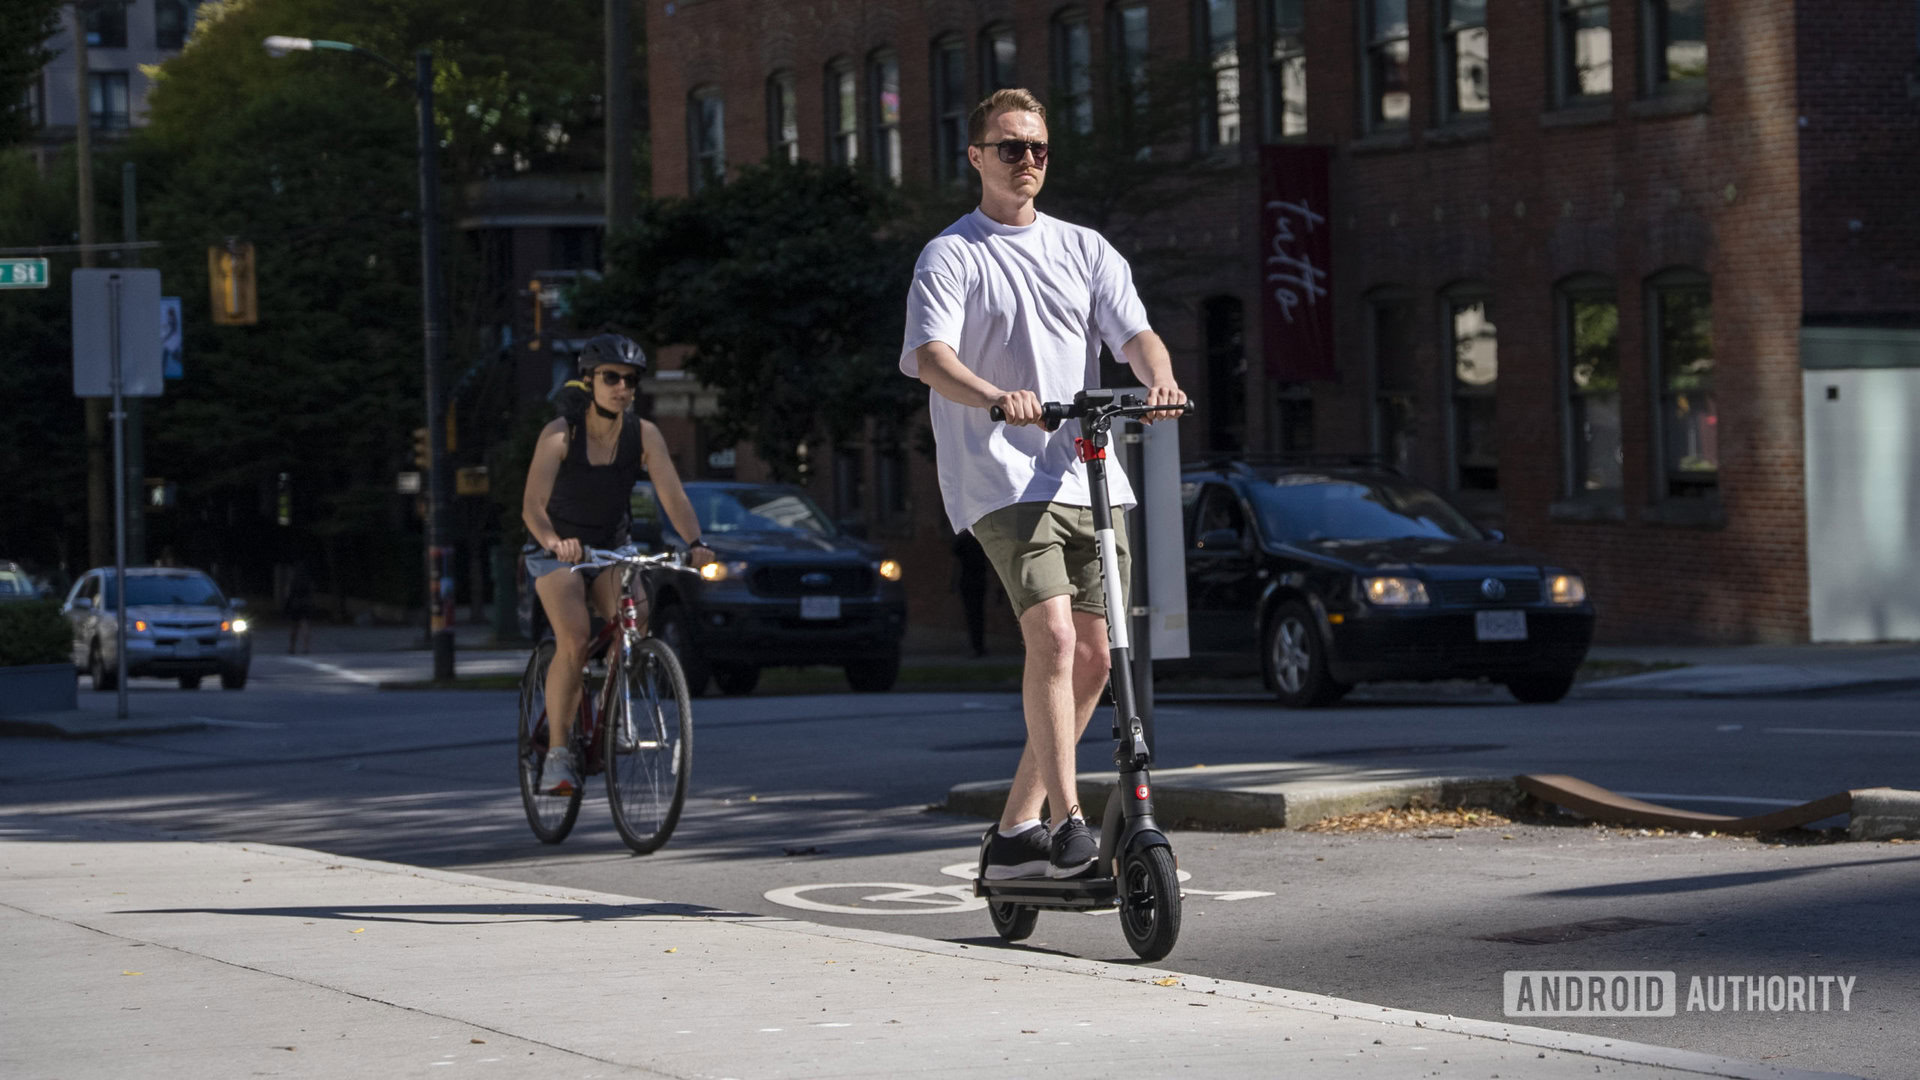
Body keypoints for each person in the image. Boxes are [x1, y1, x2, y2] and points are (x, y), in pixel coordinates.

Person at [900, 89, 1187, 880]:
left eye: (1038, 149)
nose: (1027, 160)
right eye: (1010, 147)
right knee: (1055, 640)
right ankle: (1066, 818)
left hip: (1087, 472)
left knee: (1095, 657)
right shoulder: (952, 254)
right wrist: (995, 397)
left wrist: (1159, 378)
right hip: (1000, 476)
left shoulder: (1085, 247)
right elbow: (930, 355)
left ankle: (1014, 827)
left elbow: (1135, 335)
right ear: (977, 158)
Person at [521, 333, 713, 795]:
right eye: (611, 378)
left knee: (636, 617)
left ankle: (614, 707)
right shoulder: (560, 434)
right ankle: (559, 754)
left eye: (629, 380)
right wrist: (553, 540)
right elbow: (532, 505)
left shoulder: (643, 435)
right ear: (589, 381)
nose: (621, 388)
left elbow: (672, 493)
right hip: (557, 552)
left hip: (610, 547)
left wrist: (696, 541)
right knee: (574, 637)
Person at [952, 529, 989, 657]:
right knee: (977, 615)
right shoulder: (979, 540)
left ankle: (976, 646)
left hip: (969, 581)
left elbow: (955, 561)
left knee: (972, 615)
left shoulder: (965, 540)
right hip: (977, 580)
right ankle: (978, 646)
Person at [283, 564, 315, 655]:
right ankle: (306, 647)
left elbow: (288, 595)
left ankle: (292, 647)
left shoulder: (293, 581)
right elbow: (311, 594)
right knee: (305, 626)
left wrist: (286, 607)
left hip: (295, 605)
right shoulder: (308, 581)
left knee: (293, 627)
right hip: (306, 605)